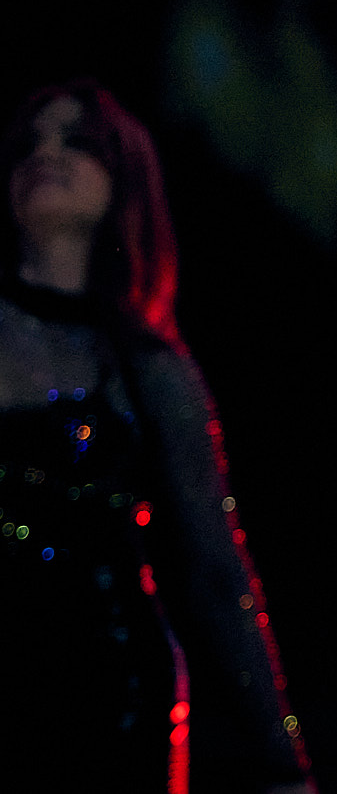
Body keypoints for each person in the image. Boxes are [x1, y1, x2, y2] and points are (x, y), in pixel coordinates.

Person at [0, 80, 312, 792]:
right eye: (29, 142)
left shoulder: (152, 369)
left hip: (113, 696)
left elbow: (216, 571)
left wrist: (281, 764)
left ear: (122, 178)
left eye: (77, 140)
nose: (46, 154)